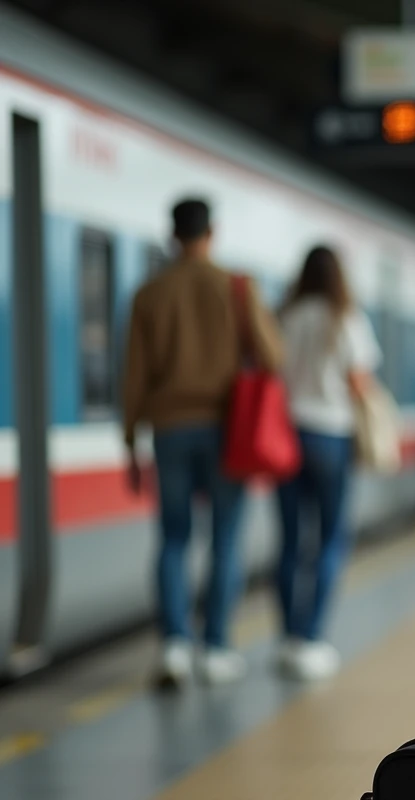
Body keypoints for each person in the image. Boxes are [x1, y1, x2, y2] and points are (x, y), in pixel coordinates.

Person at [123, 198, 282, 687]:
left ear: (173, 235)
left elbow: (133, 375)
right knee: (225, 538)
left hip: (168, 429)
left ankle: (174, 645)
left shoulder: (148, 294)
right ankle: (215, 647)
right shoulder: (237, 286)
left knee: (173, 537)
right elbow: (273, 358)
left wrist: (129, 440)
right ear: (212, 232)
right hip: (226, 429)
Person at [274, 245, 382, 680]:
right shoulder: (347, 318)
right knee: (330, 537)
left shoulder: (286, 316)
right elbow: (359, 382)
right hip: (331, 435)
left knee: (290, 540)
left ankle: (288, 637)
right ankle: (312, 638)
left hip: (286, 435)